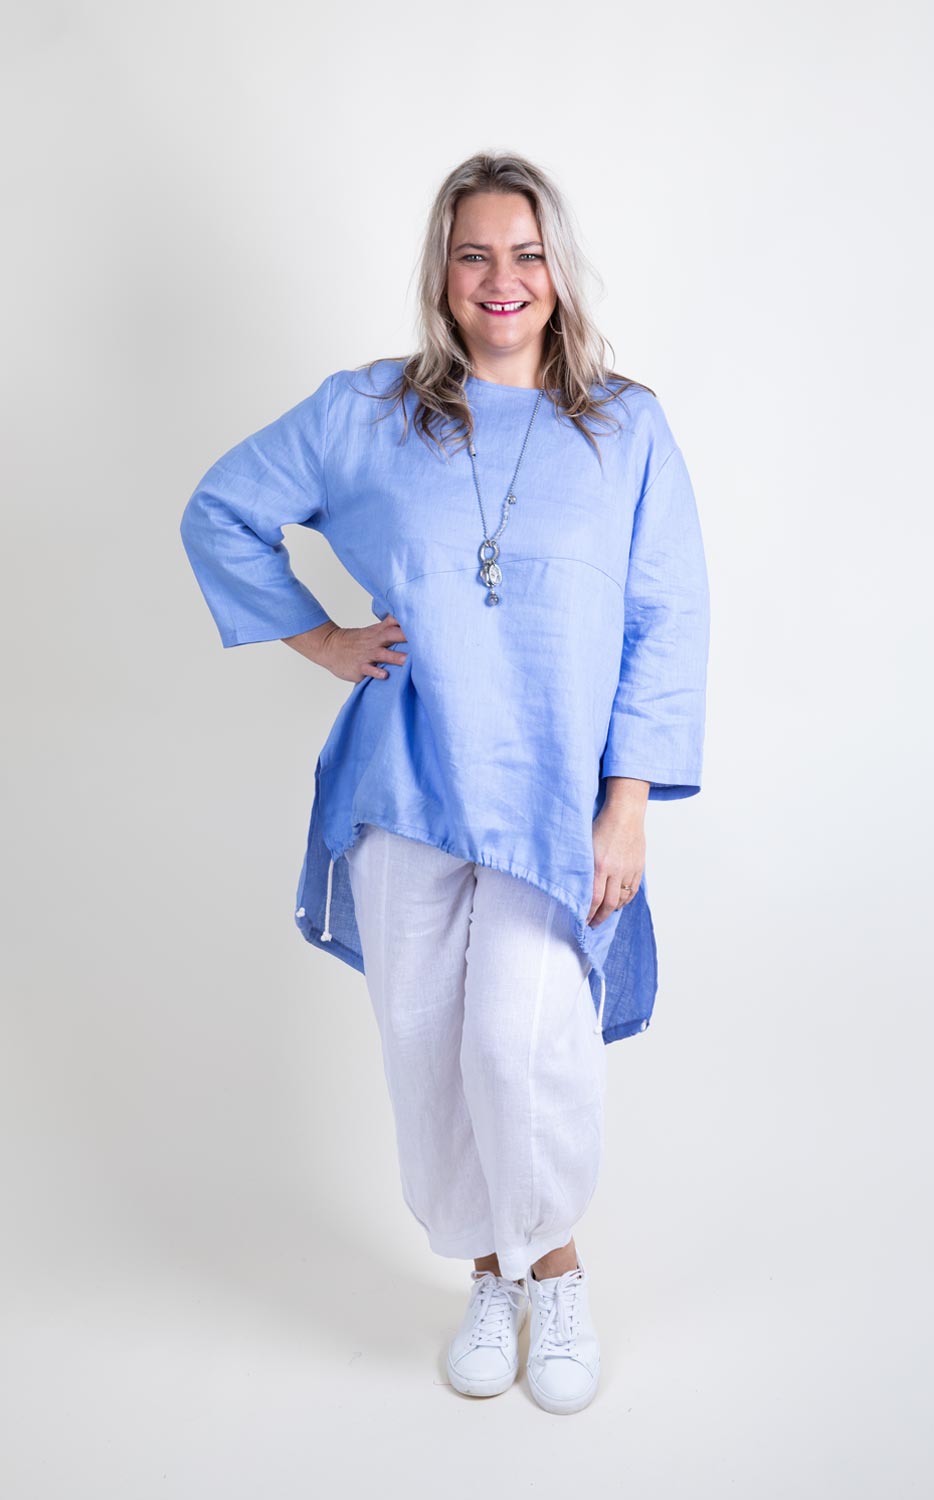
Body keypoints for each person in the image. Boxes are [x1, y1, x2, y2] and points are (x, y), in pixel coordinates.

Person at [179, 150, 711, 1416]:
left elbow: (667, 619)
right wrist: (321, 639)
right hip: (406, 783)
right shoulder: (370, 413)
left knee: (520, 1047)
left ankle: (554, 1272)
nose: (500, 279)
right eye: (474, 254)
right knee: (426, 1048)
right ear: (442, 273)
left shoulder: (623, 427)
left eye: (525, 254)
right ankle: (487, 1277)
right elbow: (222, 509)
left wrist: (627, 805)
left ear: (557, 271)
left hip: (551, 798)